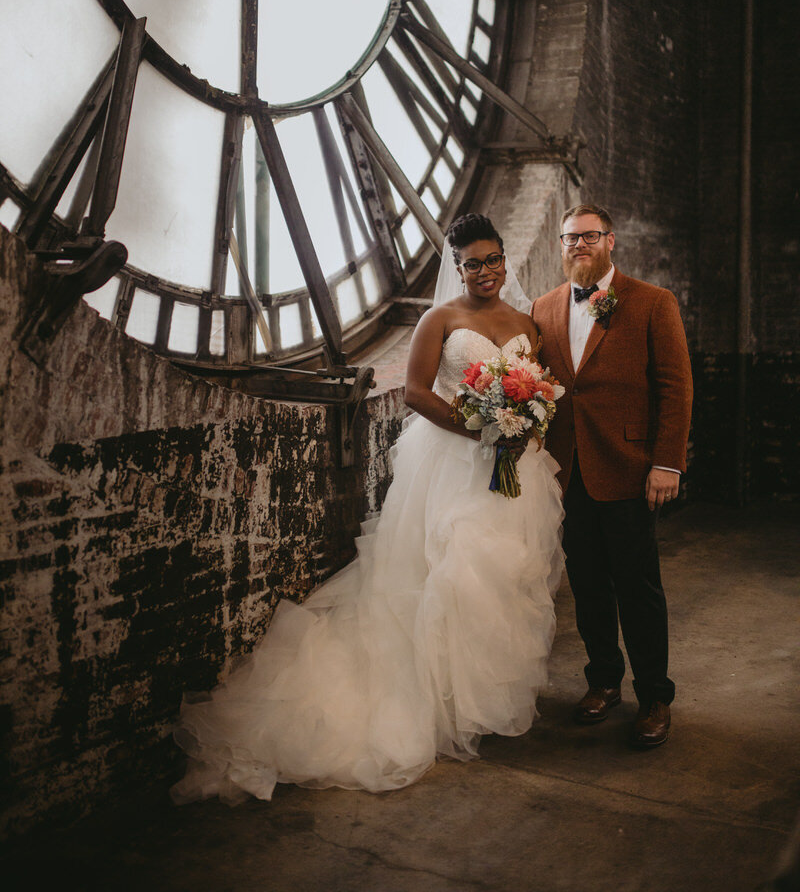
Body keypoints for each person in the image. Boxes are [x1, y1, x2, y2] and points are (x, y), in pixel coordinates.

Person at [172, 213, 564, 804]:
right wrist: (478, 427)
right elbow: (415, 393)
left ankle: (483, 699)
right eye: (472, 263)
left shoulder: (526, 323)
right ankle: (441, 702)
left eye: (494, 259)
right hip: (454, 465)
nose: (485, 271)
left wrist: (522, 427)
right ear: (456, 268)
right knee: (454, 576)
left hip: (514, 466)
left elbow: (535, 387)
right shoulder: (442, 318)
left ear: (506, 260)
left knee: (506, 579)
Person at [531, 203, 693, 748]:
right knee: (588, 586)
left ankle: (654, 695)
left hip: (628, 469)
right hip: (568, 470)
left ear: (611, 241)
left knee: (638, 587)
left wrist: (666, 462)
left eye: (589, 236)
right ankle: (603, 681)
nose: (578, 245)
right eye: (569, 238)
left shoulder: (652, 302)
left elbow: (675, 386)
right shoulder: (544, 307)